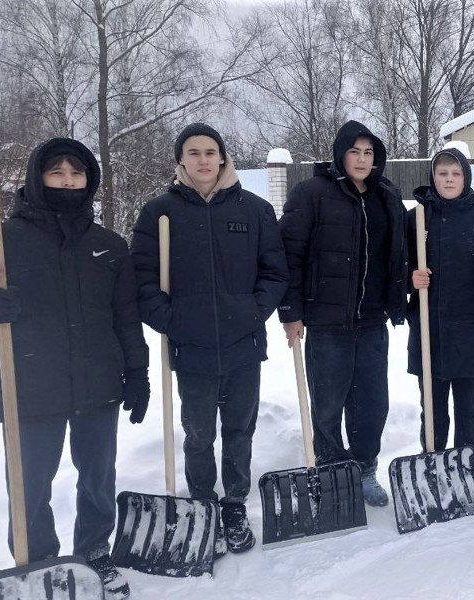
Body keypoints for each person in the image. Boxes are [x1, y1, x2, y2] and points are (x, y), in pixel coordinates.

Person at [0, 138, 149, 600]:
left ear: (89, 182)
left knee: (98, 478)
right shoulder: (0, 243)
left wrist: (137, 373)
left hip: (98, 382)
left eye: (76, 175)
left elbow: (125, 318)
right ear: (38, 179)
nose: (67, 182)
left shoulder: (109, 246)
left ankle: (94, 553)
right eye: (57, 173)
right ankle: (37, 563)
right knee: (29, 485)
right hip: (30, 384)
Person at [130, 123, 289, 553]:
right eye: (193, 152)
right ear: (180, 160)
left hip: (243, 344)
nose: (203, 160)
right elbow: (142, 279)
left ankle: (234, 502)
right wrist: (170, 319)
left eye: (211, 151)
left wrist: (254, 311)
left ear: (223, 157)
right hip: (191, 346)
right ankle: (203, 502)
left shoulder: (254, 210)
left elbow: (275, 273)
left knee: (240, 429)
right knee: (198, 432)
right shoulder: (159, 213)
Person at [278, 120, 408, 507]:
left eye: (369, 152)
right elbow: (290, 256)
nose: (363, 159)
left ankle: (365, 468)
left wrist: (400, 294)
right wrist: (291, 310)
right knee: (329, 400)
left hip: (371, 320)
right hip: (326, 321)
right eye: (355, 151)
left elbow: (397, 253)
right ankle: (333, 469)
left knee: (372, 401)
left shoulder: (386, 196)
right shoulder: (311, 194)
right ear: (341, 153)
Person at [408, 147, 474, 497]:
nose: (448, 179)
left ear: (466, 177)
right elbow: (397, 270)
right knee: (432, 407)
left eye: (455, 174)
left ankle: (465, 468)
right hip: (429, 328)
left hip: (470, 328)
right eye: (442, 173)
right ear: (433, 176)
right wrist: (410, 280)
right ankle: (432, 466)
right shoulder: (416, 220)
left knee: (467, 407)